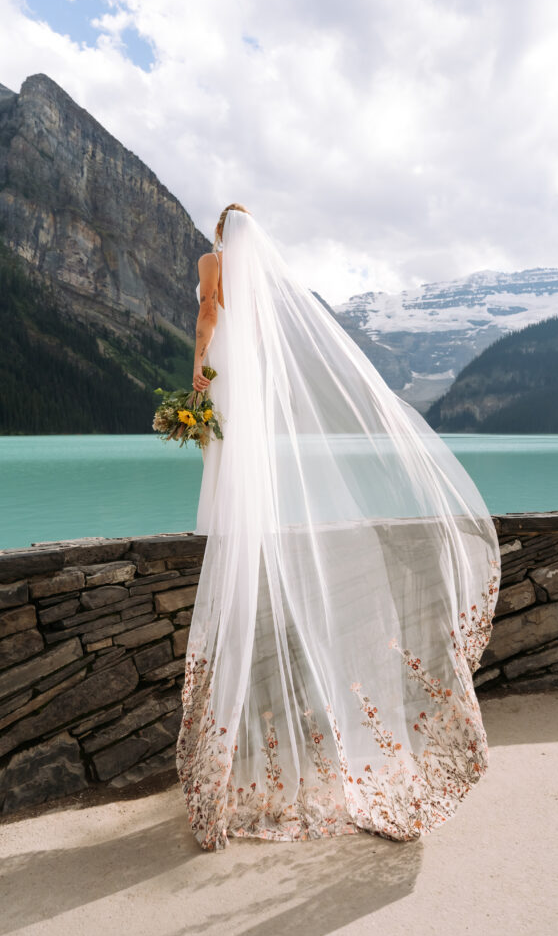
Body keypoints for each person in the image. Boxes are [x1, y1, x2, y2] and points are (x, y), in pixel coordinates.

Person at [175, 204, 501, 852]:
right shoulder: (263, 284)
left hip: (226, 372)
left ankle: (226, 519)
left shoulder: (213, 263)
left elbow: (209, 312)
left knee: (225, 455)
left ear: (220, 235)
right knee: (245, 456)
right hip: (250, 379)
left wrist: (197, 372)